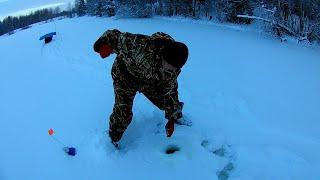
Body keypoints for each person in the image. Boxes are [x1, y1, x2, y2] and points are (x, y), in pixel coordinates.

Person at [93, 29, 188, 146]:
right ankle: (113, 139)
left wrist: (171, 118)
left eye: (175, 69)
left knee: (166, 103)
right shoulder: (141, 48)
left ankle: (178, 116)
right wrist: (102, 45)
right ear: (164, 57)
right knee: (123, 114)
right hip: (125, 77)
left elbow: (170, 91)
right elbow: (115, 36)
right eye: (170, 68)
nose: (173, 71)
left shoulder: (172, 70)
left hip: (147, 81)